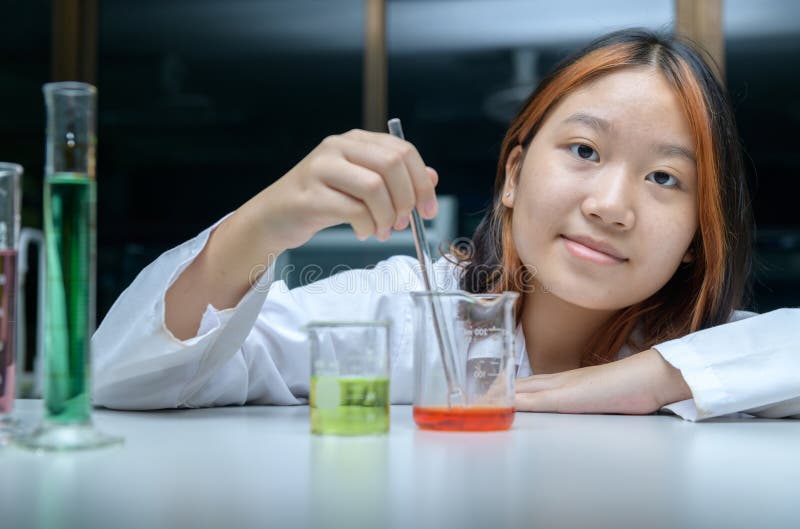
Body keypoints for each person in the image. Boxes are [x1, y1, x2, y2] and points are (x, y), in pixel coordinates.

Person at [93, 29, 799, 420]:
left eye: (664, 178)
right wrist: (263, 224)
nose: (612, 204)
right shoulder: (401, 310)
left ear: (695, 239)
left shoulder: (708, 352)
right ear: (515, 175)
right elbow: (122, 378)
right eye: (584, 150)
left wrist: (653, 376)